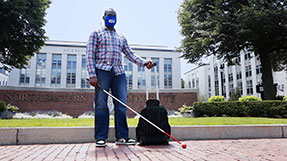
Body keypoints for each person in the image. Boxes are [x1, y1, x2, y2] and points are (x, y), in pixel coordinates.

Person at [86, 8, 155, 147]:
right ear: (104, 17)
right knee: (101, 104)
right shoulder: (96, 33)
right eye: (109, 16)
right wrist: (92, 75)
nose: (111, 18)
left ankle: (122, 137)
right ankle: (100, 137)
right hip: (102, 71)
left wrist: (144, 62)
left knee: (121, 105)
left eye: (114, 16)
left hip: (118, 73)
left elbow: (130, 54)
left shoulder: (121, 37)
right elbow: (89, 54)